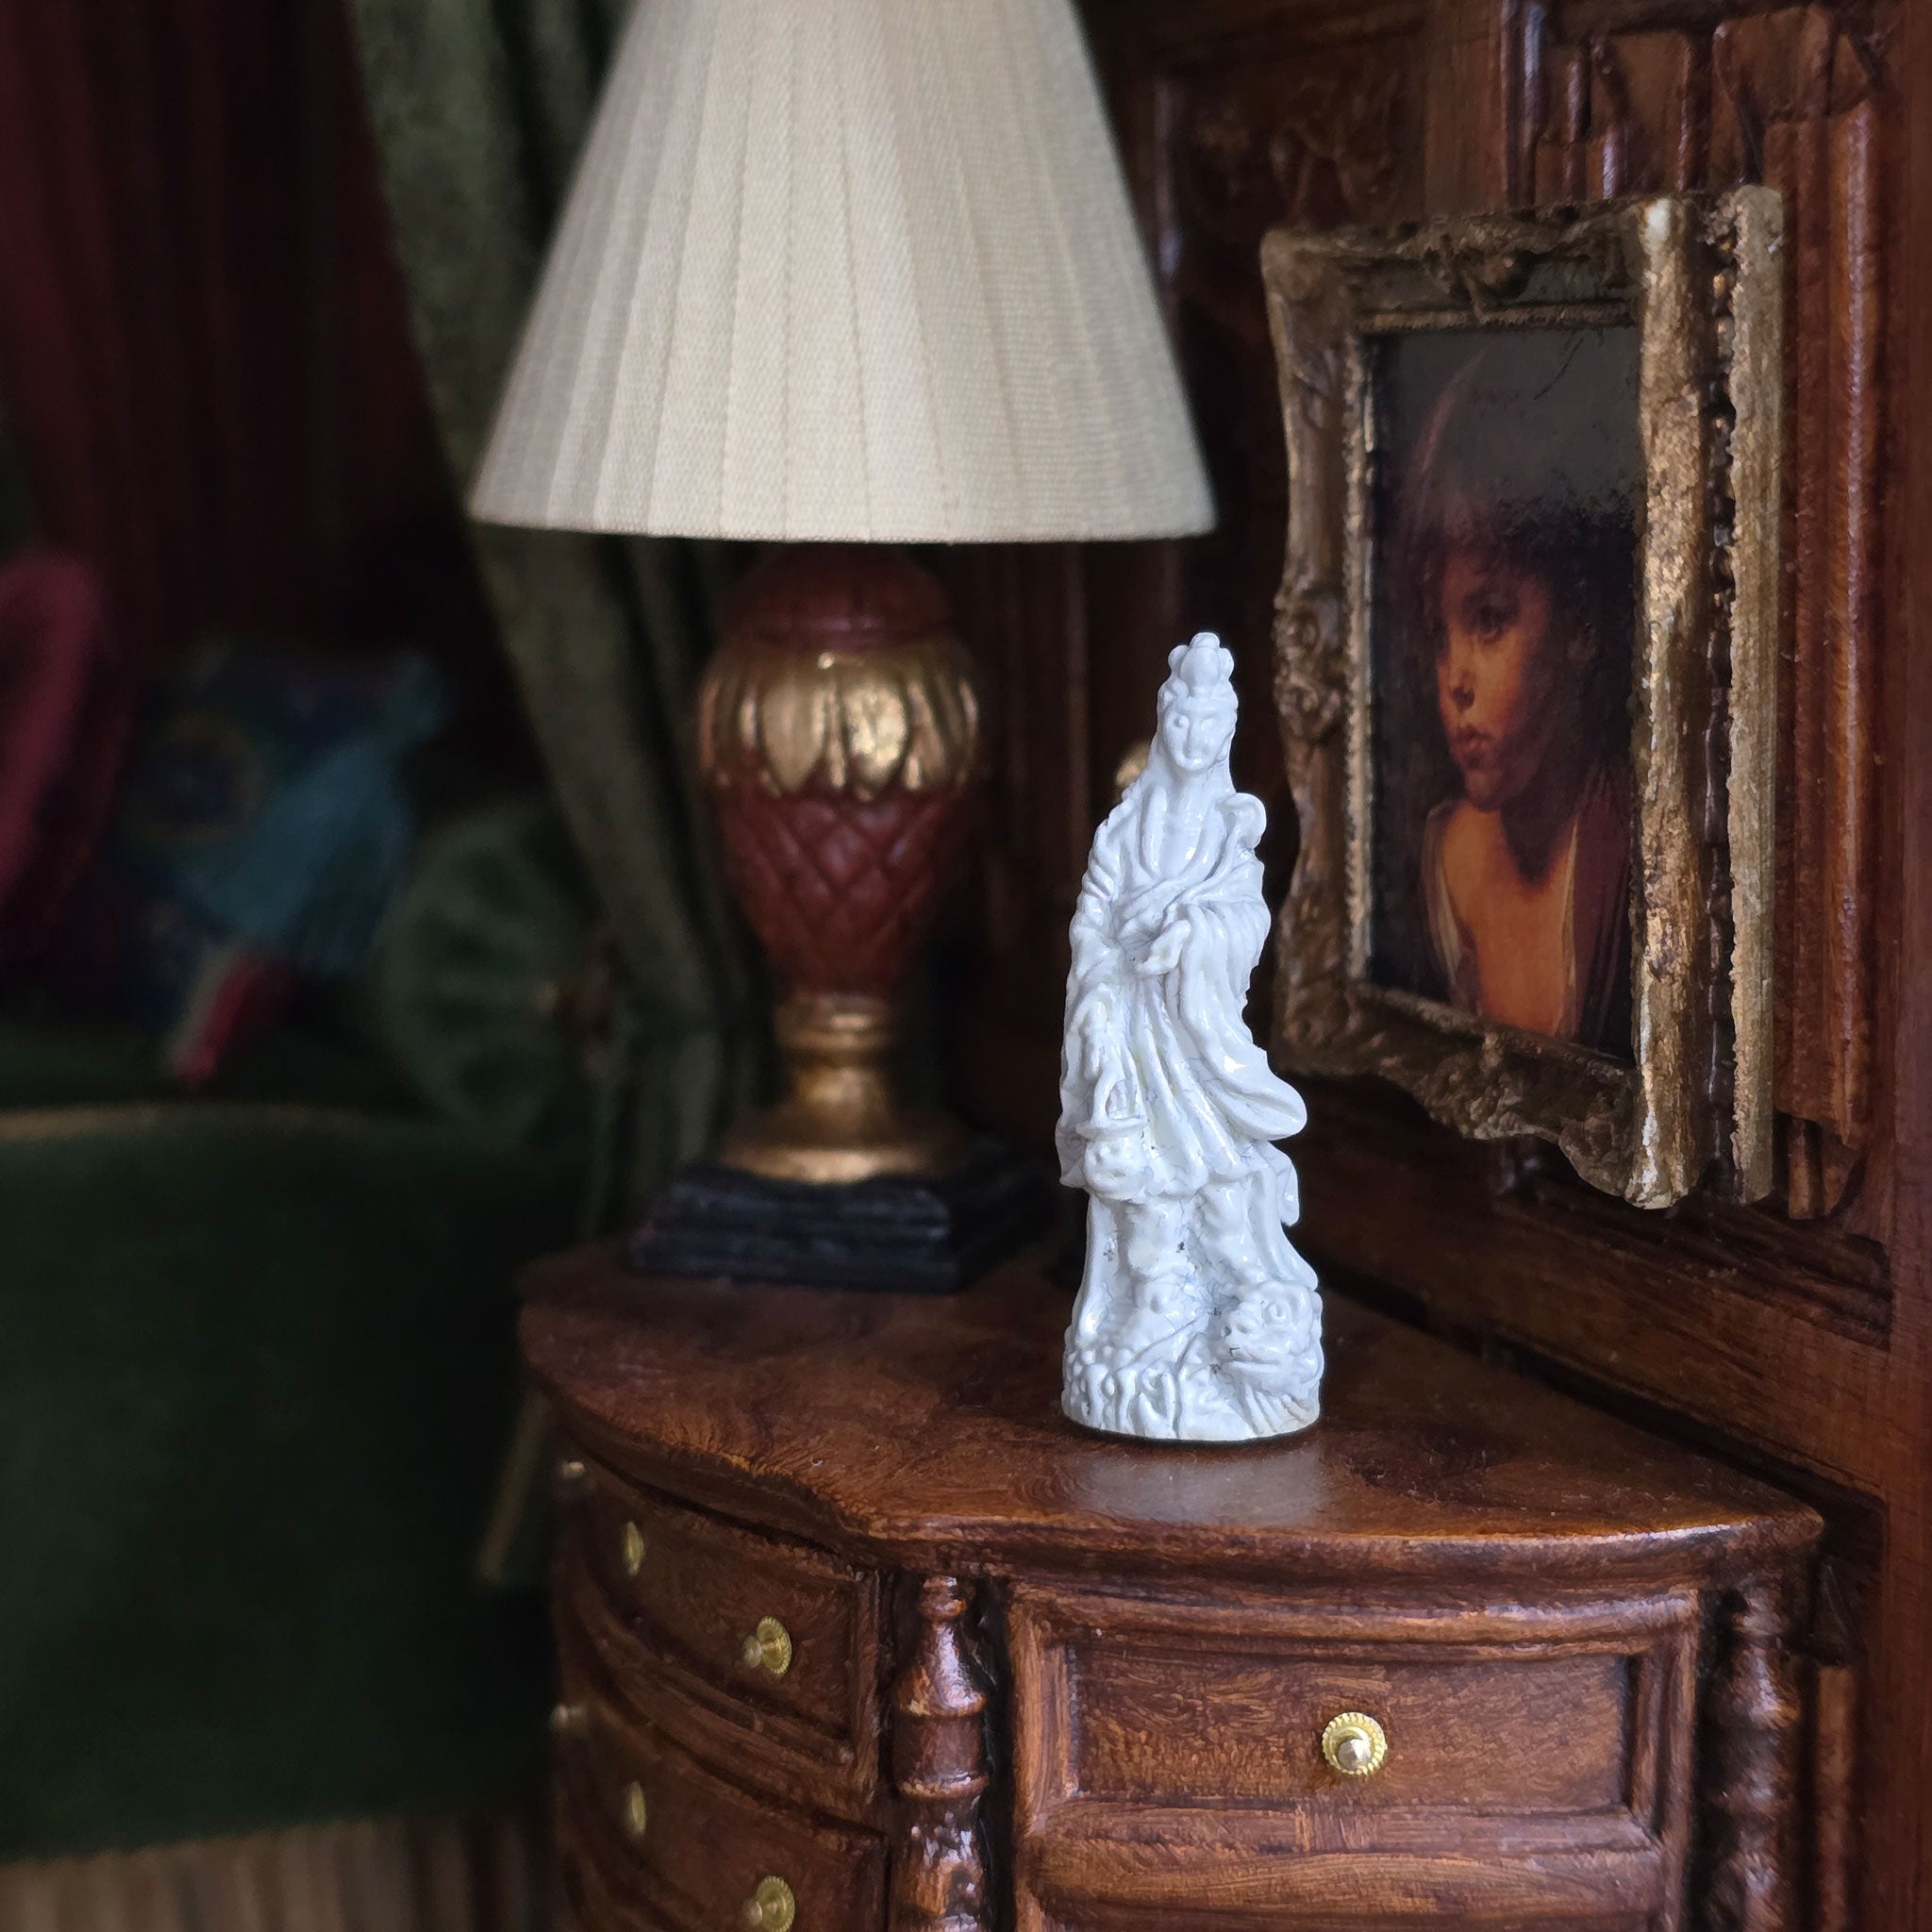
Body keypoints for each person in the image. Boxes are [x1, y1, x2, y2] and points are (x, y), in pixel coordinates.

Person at [1392, 344, 1637, 1057]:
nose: (1456, 679)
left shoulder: (1627, 853)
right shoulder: (1445, 862)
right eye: (1441, 635)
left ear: (1579, 626)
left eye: (1491, 620)